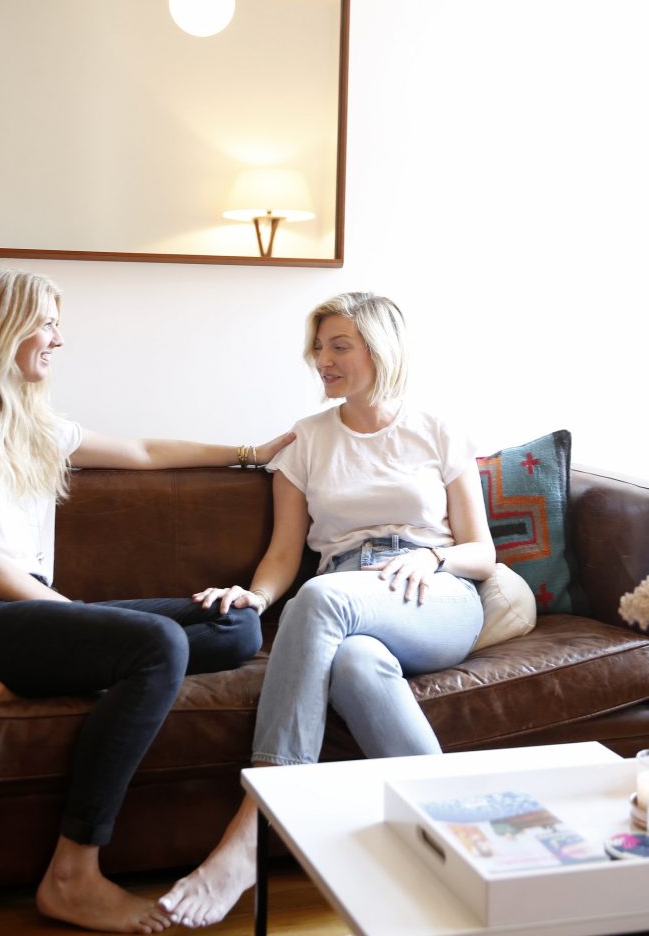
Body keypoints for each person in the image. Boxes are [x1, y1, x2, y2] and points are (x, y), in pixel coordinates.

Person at [0, 266, 294, 936]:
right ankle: (72, 874)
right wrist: (72, 615)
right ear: (1, 327)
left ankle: (29, 683)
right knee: (157, 645)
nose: (59, 339)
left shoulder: (32, 420)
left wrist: (254, 450)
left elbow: (141, 449)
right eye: (47, 322)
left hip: (26, 616)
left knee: (239, 623)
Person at [158, 291, 496, 928]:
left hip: (432, 593)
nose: (323, 360)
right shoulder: (307, 440)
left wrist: (432, 559)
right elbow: (286, 553)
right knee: (357, 665)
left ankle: (256, 825)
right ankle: (464, 837)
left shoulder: (438, 429)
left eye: (339, 346)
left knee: (322, 599)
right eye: (318, 347)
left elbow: (481, 551)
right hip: (343, 597)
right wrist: (255, 598)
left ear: (379, 350)